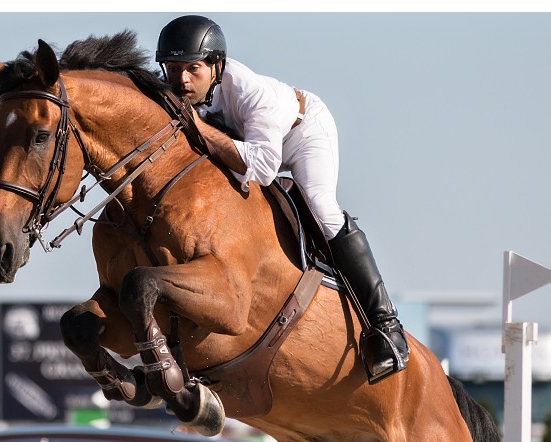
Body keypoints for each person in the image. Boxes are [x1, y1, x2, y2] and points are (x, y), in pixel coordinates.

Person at [155, 15, 409, 383]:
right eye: (173, 68)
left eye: (192, 68)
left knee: (322, 208)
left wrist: (199, 129)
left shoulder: (251, 93)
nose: (181, 79)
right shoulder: (174, 88)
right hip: (252, 143)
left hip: (302, 134)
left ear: (217, 66)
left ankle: (387, 325)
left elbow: (261, 168)